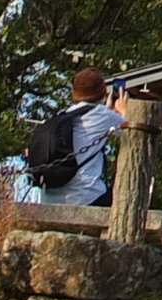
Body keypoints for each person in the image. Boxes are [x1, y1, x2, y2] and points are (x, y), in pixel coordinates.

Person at [35, 69, 126, 208]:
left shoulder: (62, 115)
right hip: (86, 196)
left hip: (49, 198)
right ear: (103, 90)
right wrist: (123, 110)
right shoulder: (103, 115)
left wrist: (107, 111)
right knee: (126, 202)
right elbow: (131, 129)